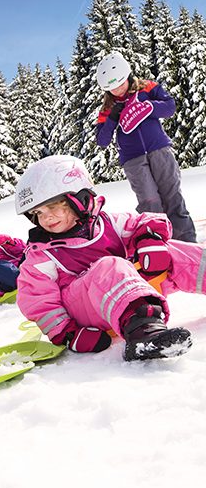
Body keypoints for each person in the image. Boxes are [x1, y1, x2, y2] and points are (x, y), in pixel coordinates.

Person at [14, 154, 204, 361]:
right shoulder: (41, 255)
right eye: (38, 212)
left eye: (53, 206)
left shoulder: (108, 223)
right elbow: (39, 301)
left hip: (131, 292)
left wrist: (150, 239)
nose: (46, 217)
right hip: (86, 312)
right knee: (110, 265)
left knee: (171, 249)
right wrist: (67, 334)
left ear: (79, 199)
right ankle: (143, 333)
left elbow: (145, 222)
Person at [95, 50, 196, 242]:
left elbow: (170, 107)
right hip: (133, 160)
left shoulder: (147, 88)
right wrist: (112, 119)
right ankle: (160, 246)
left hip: (159, 150)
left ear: (128, 75)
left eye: (120, 84)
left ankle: (188, 245)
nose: (117, 91)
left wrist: (150, 107)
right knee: (150, 203)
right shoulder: (108, 108)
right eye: (112, 88)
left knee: (172, 197)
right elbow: (102, 140)